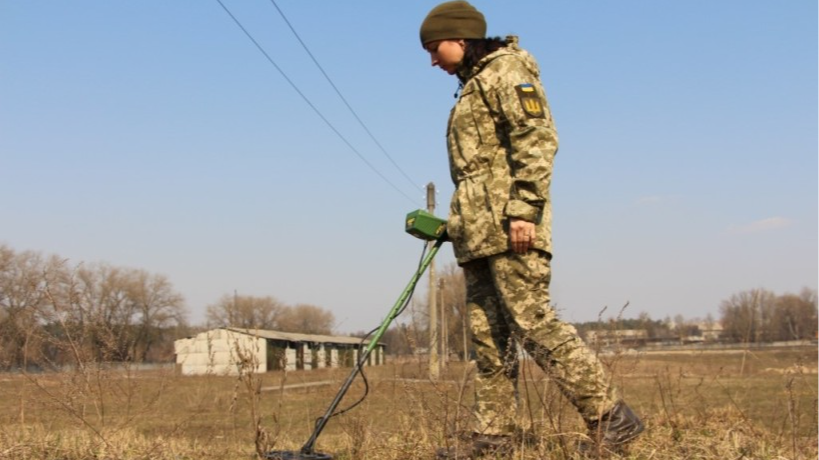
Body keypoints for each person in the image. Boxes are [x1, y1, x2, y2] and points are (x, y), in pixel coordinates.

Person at [418, 2, 644, 458]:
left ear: (459, 38)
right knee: (488, 338)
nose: (431, 61)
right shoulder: (472, 86)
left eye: (433, 48)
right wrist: (458, 223)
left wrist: (524, 209)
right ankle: (493, 438)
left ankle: (612, 419)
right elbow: (481, 170)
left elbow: (537, 138)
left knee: (533, 324)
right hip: (479, 234)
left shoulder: (508, 70)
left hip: (513, 228)